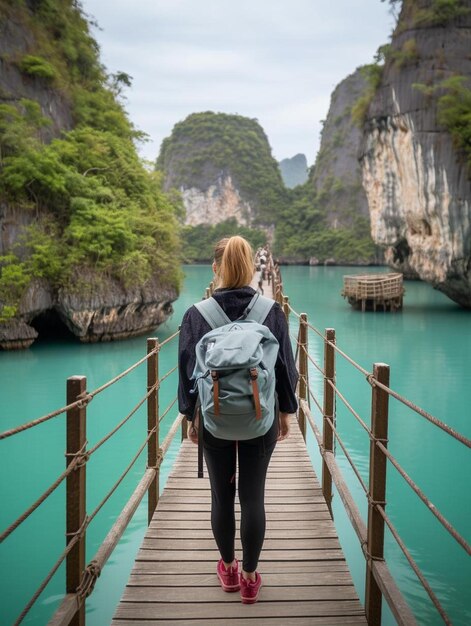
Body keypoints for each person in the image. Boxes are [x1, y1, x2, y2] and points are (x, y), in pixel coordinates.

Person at [178, 235, 298, 604]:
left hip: (212, 421)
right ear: (250, 269)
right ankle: (249, 579)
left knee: (221, 497)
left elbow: (185, 372)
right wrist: (284, 412)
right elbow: (286, 369)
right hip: (259, 420)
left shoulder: (196, 315)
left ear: (215, 269)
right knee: (253, 498)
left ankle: (227, 569)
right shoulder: (272, 311)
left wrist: (190, 417)